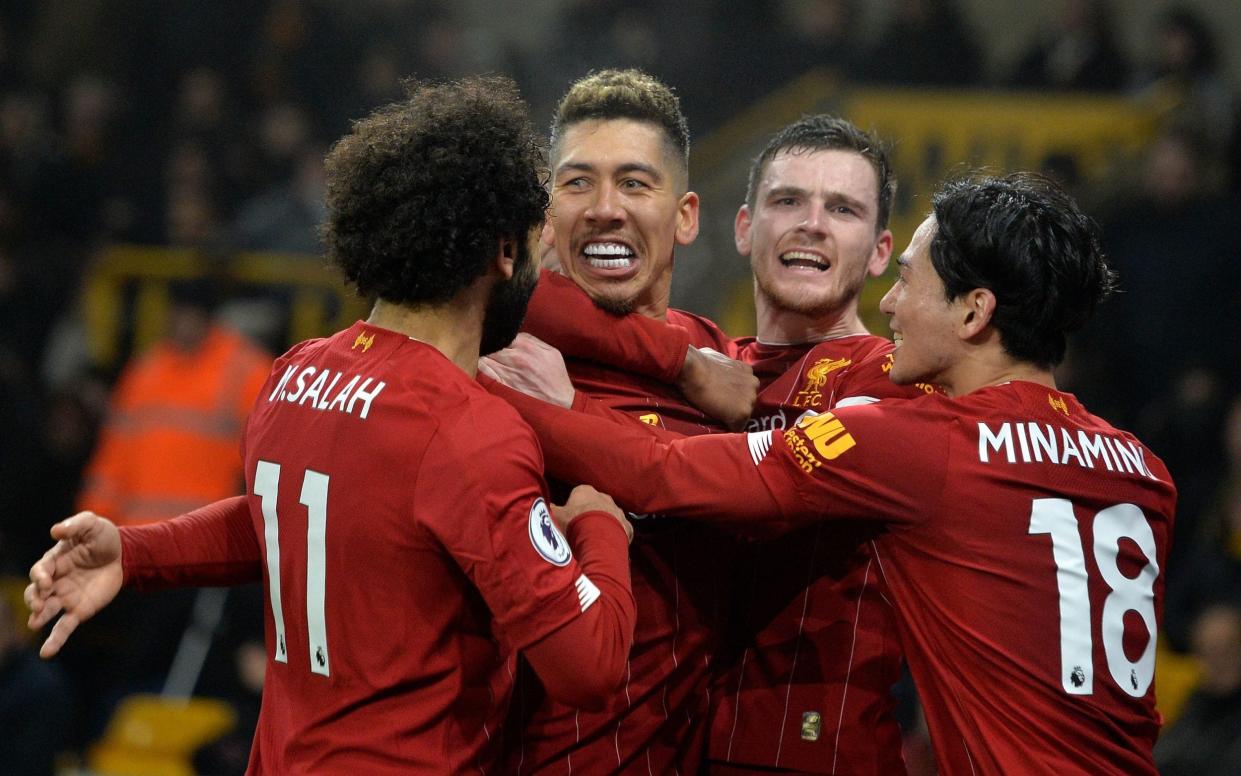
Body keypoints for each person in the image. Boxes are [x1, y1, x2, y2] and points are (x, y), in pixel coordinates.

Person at [25, 75, 637, 774]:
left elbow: (282, 516)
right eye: (534, 242)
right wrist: (597, 526)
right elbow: (588, 665)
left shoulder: (295, 375)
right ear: (501, 252)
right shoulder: (469, 430)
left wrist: (137, 553)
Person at [488, 172, 1177, 774]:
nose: (887, 305)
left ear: (973, 312)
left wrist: (486, 392)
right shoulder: (1145, 473)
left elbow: (661, 471)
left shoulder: (923, 445)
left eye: (907, 280)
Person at [487, 115, 927, 773]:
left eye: (841, 209)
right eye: (787, 201)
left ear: (877, 251)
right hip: (685, 749)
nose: (810, 223)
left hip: (813, 753)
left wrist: (564, 409)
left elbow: (677, 476)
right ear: (744, 228)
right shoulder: (715, 357)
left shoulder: (886, 385)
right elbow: (516, 290)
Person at [487, 68, 754, 775]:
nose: (604, 208)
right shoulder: (490, 357)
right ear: (545, 215)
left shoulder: (727, 369)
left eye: (634, 183)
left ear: (686, 214)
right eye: (577, 184)